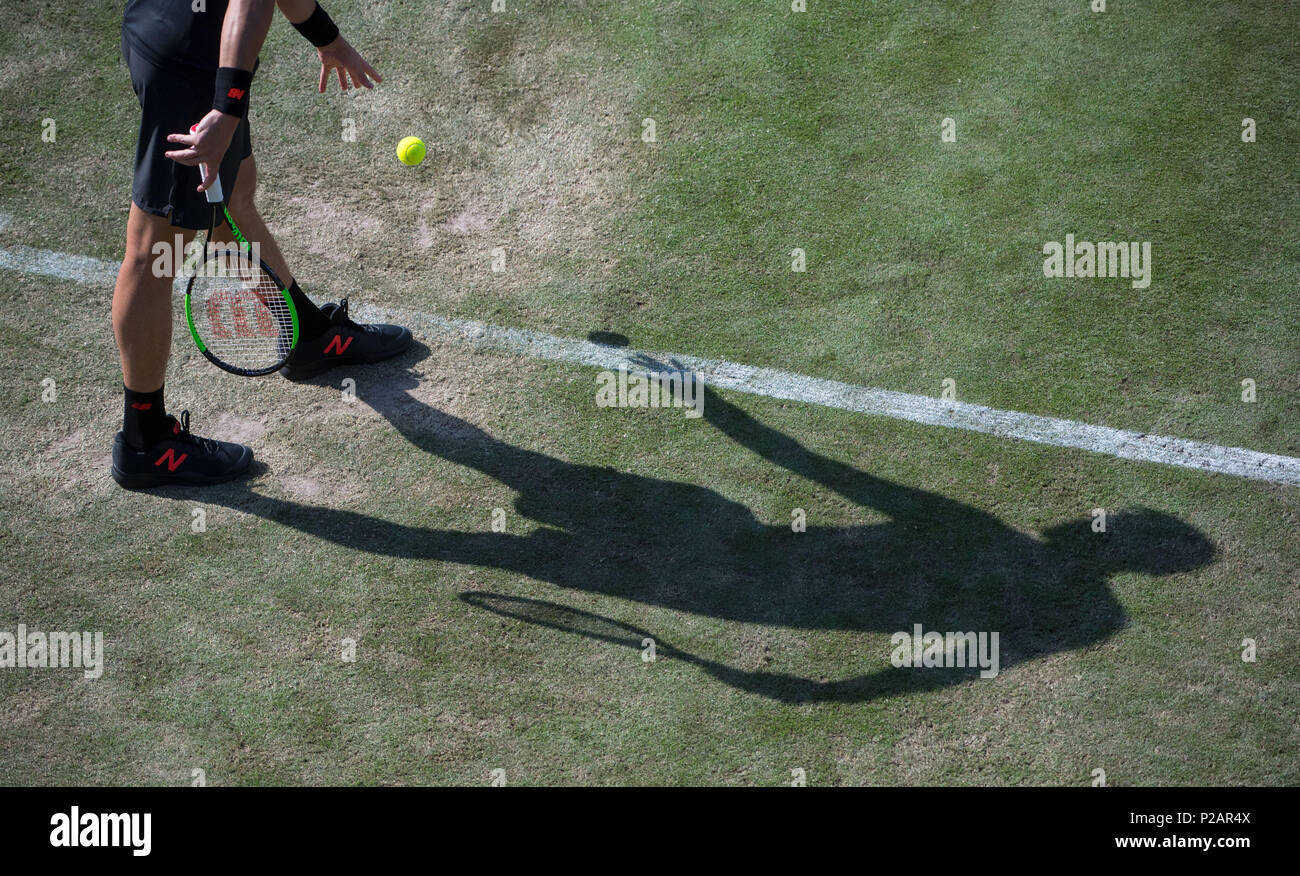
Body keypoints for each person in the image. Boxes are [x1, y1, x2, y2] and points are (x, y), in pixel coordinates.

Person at [112, 0, 411, 489]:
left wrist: (326, 36)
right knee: (155, 251)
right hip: (191, 63)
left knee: (234, 198)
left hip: (180, 32)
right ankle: (145, 440)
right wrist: (226, 112)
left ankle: (307, 334)